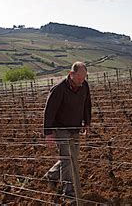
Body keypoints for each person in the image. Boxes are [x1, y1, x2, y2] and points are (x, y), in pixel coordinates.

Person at [43, 61, 91, 198]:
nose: (81, 81)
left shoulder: (84, 86)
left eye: (84, 78)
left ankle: (52, 175)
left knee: (72, 158)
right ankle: (68, 191)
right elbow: (49, 111)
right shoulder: (59, 88)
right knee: (67, 158)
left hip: (75, 127)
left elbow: (87, 104)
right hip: (61, 128)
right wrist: (48, 133)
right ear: (71, 74)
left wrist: (87, 123)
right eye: (79, 78)